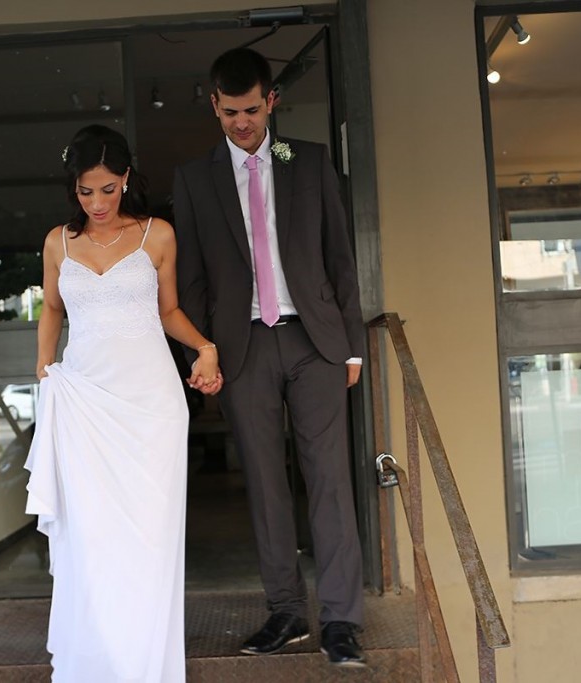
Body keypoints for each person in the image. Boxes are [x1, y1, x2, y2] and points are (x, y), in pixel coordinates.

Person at [172, 47, 366, 668]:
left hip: (316, 342)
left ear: (271, 101)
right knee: (263, 484)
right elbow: (191, 279)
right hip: (242, 347)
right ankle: (286, 611)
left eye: (252, 110)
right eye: (230, 112)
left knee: (329, 479)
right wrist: (204, 349)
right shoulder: (195, 179)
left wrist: (353, 346)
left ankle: (341, 620)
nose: (242, 123)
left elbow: (340, 257)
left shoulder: (307, 160)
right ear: (214, 105)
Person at [24, 124, 221, 683]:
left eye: (108, 189)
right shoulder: (58, 243)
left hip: (151, 406)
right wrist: (43, 365)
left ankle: (146, 662)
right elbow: (52, 309)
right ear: (74, 189)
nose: (98, 202)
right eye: (86, 191)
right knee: (91, 540)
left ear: (126, 180)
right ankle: (99, 658)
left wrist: (205, 348)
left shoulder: (158, 235)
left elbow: (168, 311)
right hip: (85, 403)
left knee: (149, 540)